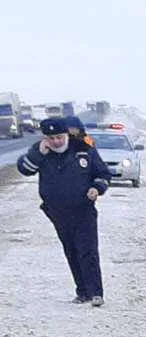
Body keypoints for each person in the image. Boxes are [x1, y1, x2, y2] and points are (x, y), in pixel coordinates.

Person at [15, 116, 111, 306]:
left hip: (83, 209)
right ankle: (82, 292)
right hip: (57, 212)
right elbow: (25, 169)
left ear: (66, 134)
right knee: (71, 250)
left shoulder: (83, 150)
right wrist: (38, 155)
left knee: (88, 250)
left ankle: (95, 293)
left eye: (59, 137)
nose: (56, 141)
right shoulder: (40, 152)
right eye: (51, 138)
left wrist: (97, 188)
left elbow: (102, 173)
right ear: (45, 138)